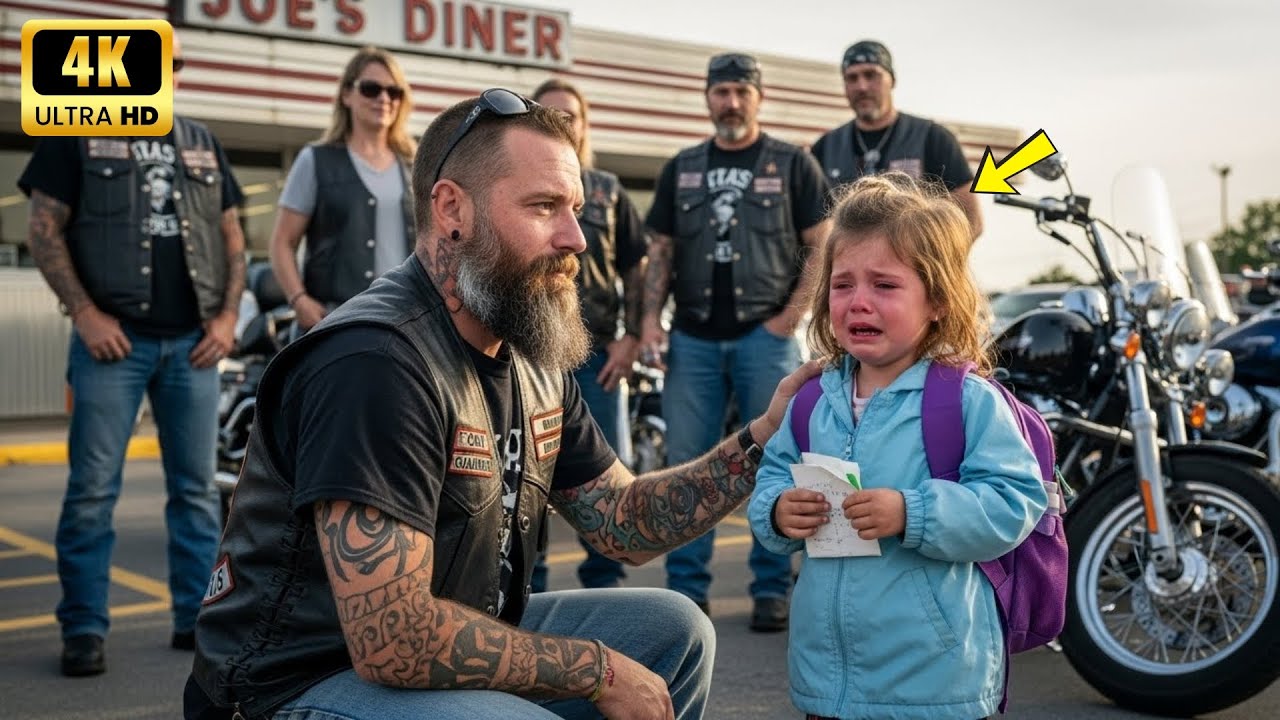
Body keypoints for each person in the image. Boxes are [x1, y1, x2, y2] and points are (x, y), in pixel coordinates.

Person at [185, 89, 821, 720]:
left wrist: (762, 437)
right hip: (296, 685)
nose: (576, 238)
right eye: (544, 207)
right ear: (452, 209)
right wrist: (595, 670)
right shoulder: (375, 361)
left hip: (440, 632)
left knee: (674, 630)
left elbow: (622, 521)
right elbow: (393, 640)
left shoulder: (526, 350)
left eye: (575, 209)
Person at [747, 173, 1047, 719]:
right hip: (825, 683)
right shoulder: (811, 401)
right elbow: (773, 476)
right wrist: (777, 512)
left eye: (884, 285)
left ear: (938, 300)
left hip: (935, 687)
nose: (859, 302)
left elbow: (1014, 502)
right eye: (843, 285)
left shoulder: (967, 400)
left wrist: (913, 512)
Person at [17, 33, 246, 678]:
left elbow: (232, 236)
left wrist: (228, 317)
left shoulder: (201, 141)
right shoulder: (76, 134)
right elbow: (42, 228)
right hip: (112, 345)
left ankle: (195, 619)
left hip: (193, 347)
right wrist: (85, 314)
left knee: (196, 493)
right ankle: (83, 627)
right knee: (92, 492)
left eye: (168, 63)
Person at [639, 52, 831, 632]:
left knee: (776, 458)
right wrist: (649, 322)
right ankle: (685, 595)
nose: (730, 102)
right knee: (687, 465)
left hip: (764, 337)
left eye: (741, 91)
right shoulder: (683, 167)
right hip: (693, 338)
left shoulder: (792, 163)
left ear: (758, 97)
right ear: (707, 97)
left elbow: (822, 246)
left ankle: (771, 589)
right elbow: (661, 252)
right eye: (721, 91)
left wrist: (789, 319)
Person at [528, 77, 648, 592]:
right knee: (526, 479)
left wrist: (631, 338)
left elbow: (637, 267)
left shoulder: (609, 190)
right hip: (530, 350)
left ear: (584, 125)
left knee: (604, 482)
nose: (561, 123)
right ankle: (525, 590)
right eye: (548, 113)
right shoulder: (519, 184)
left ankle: (604, 589)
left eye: (570, 115)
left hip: (597, 354)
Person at [270, 46, 416, 331]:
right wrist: (298, 300)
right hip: (333, 322)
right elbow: (282, 242)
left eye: (394, 91)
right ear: (347, 94)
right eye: (371, 89)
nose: (384, 99)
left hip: (405, 324)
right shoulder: (315, 160)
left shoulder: (415, 165)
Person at [812, 40, 984, 239]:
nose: (862, 86)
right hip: (849, 258)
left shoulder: (933, 138)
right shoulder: (824, 148)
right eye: (852, 78)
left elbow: (971, 221)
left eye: (871, 75)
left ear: (892, 80)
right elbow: (812, 229)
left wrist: (932, 256)